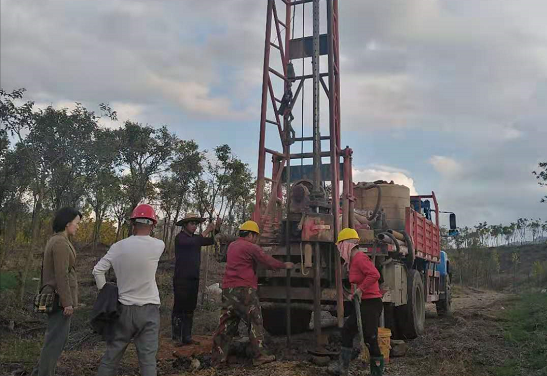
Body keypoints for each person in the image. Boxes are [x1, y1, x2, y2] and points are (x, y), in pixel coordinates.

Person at [92, 204, 165, 376]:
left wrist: (106, 293)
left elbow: (97, 271)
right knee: (147, 362)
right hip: (149, 310)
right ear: (153, 225)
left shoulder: (118, 247)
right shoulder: (158, 245)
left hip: (123, 309)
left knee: (111, 359)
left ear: (133, 224)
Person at [212, 220, 294, 367]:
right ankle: (259, 356)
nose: (256, 239)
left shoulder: (232, 246)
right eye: (255, 236)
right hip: (245, 290)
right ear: (250, 234)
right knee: (255, 321)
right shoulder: (251, 247)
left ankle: (218, 359)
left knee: (226, 324)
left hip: (228, 289)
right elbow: (267, 261)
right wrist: (284, 265)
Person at [32, 207, 82, 376]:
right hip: (59, 300)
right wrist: (67, 302)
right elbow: (61, 274)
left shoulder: (55, 240)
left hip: (56, 297)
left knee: (54, 341)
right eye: (76, 223)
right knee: (54, 343)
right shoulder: (60, 242)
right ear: (68, 224)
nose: (77, 226)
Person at [328, 228, 385, 376]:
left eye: (340, 245)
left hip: (371, 303)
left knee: (370, 337)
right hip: (361, 303)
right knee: (347, 330)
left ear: (347, 244)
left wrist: (360, 290)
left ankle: (377, 372)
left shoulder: (360, 258)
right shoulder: (352, 261)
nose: (340, 250)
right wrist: (354, 295)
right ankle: (343, 368)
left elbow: (374, 274)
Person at [172, 213, 222, 346]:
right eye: (192, 224)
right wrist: (207, 230)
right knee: (179, 308)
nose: (194, 226)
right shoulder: (180, 238)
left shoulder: (195, 238)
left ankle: (187, 337)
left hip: (193, 278)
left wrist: (217, 228)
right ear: (185, 225)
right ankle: (176, 338)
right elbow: (195, 242)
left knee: (189, 308)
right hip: (181, 278)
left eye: (196, 224)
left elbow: (211, 240)